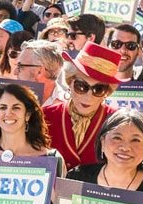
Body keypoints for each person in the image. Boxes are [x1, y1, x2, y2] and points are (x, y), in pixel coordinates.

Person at [43, 42, 123, 171]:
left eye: (99, 89)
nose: (88, 96)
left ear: (107, 92)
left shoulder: (118, 122)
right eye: (81, 86)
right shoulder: (44, 116)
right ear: (69, 82)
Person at [14, 40, 68, 107]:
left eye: (20, 66)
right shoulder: (10, 99)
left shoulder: (67, 106)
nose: (15, 72)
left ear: (39, 71)